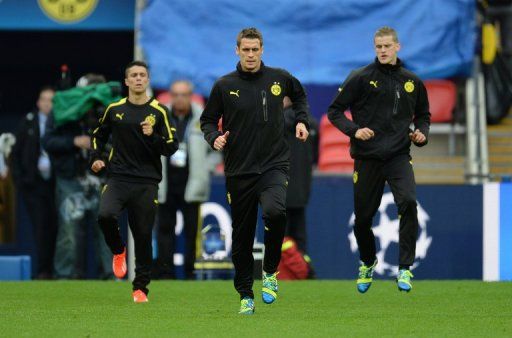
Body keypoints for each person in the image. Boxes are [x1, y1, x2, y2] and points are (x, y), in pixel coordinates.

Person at [200, 27, 310, 314]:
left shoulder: (280, 78)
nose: (250, 54)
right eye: (245, 50)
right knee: (242, 235)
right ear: (236, 50)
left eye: (255, 49)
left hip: (274, 164)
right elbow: (208, 121)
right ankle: (245, 294)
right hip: (239, 170)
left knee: (275, 211)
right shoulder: (224, 85)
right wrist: (215, 138)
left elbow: (300, 97)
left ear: (262, 50)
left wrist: (301, 121)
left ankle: (270, 273)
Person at [327, 26, 430, 293]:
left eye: (387, 46)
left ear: (398, 47)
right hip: (367, 158)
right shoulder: (360, 77)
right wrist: (354, 130)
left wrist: (422, 134)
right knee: (362, 218)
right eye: (378, 47)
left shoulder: (412, 82)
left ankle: (405, 269)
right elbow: (335, 111)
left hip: (398, 156)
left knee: (408, 202)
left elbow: (423, 115)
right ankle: (367, 261)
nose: (382, 51)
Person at [91, 61, 178, 303]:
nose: (138, 79)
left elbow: (172, 147)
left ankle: (140, 288)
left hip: (147, 181)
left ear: (148, 80)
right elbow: (98, 135)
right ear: (127, 81)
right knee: (105, 215)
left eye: (142, 75)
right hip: (118, 177)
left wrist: (154, 136)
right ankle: (118, 250)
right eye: (134, 75)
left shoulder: (160, 111)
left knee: (142, 235)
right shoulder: (114, 109)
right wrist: (96, 158)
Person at [42, 80, 113, 280]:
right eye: (87, 91)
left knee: (106, 229)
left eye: (96, 92)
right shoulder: (64, 106)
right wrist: (74, 141)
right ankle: (64, 277)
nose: (91, 96)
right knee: (68, 232)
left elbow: (120, 141)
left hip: (101, 179)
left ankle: (110, 276)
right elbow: (47, 141)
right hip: (70, 179)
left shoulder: (108, 108)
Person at [156, 80, 218, 280]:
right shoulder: (159, 117)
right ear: (170, 96)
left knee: (192, 232)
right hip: (165, 182)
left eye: (184, 94)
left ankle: (190, 272)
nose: (179, 99)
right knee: (165, 230)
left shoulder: (204, 118)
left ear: (191, 96)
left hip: (192, 183)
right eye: (176, 95)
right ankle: (166, 273)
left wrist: (205, 169)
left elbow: (217, 150)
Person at [10, 87, 58, 278]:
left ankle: (56, 270)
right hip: (34, 184)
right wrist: (20, 181)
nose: (47, 103)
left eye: (51, 100)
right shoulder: (28, 122)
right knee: (40, 226)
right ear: (38, 102)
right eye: (44, 99)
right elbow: (15, 154)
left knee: (56, 226)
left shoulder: (61, 123)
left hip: (55, 183)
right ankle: (43, 271)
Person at [283, 96, 317, 257]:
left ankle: (280, 269)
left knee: (280, 232)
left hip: (280, 185)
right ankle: (302, 267)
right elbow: (315, 157)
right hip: (303, 185)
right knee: (299, 231)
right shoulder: (311, 122)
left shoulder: (277, 120)